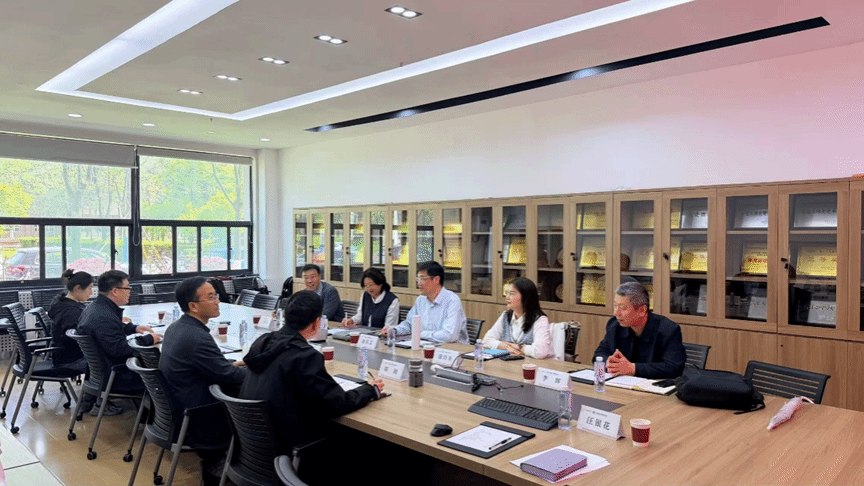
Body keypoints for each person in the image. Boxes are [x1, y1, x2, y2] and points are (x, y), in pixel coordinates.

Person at [240, 290, 384, 482]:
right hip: (291, 449)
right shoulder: (305, 357)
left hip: (255, 450)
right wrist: (370, 390)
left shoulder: (263, 342)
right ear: (317, 323)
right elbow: (338, 403)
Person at [160, 277, 247, 486]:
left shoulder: (177, 327)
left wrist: (232, 364)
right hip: (201, 413)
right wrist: (261, 373)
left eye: (215, 295)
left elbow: (211, 366)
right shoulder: (196, 337)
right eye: (211, 297)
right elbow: (230, 376)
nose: (218, 301)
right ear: (193, 306)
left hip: (179, 407)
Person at [77, 270, 161, 415]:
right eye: (127, 288)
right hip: (116, 375)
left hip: (101, 373)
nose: (130, 291)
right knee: (163, 371)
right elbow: (119, 349)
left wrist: (133, 328)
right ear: (115, 291)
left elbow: (109, 331)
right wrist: (148, 339)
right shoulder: (104, 316)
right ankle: (156, 418)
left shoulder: (96, 307)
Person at [593, 281, 686, 379]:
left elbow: (674, 368)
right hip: (620, 384)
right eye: (615, 305)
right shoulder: (614, 325)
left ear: (642, 310)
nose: (616, 313)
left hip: (653, 386)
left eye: (622, 308)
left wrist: (634, 368)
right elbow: (598, 355)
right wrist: (608, 361)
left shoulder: (668, 329)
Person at [382, 261, 468, 343]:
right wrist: (394, 330)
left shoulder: (452, 300)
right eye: (418, 279)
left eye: (422, 279)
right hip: (426, 345)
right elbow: (410, 324)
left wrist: (420, 334)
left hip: (452, 349)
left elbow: (450, 335)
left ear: (436, 279)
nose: (419, 283)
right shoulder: (421, 299)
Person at [482, 277, 553, 359]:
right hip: (510, 363)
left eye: (512, 294)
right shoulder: (505, 316)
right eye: (507, 293)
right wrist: (506, 346)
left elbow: (541, 351)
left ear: (526, 297)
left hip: (531, 365)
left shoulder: (540, 320)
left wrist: (519, 347)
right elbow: (486, 340)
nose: (507, 297)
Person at [47, 269, 92, 374]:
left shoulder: (63, 303)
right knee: (111, 363)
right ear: (78, 288)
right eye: (90, 288)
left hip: (64, 356)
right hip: (71, 361)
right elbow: (81, 338)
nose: (91, 293)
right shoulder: (70, 312)